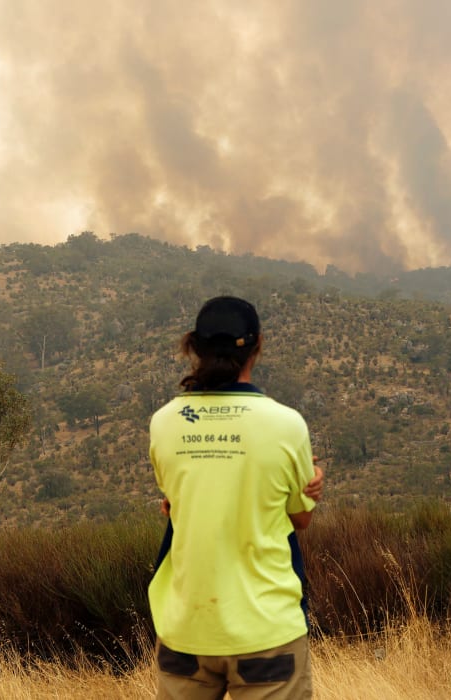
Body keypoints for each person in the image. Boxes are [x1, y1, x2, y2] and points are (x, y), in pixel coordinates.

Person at [148, 295, 323, 700]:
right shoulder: (286, 425)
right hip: (265, 631)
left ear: (194, 346)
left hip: (186, 628)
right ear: (258, 344)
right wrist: (313, 481)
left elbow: (174, 503)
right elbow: (301, 519)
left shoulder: (164, 424)